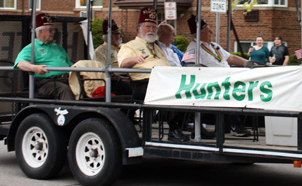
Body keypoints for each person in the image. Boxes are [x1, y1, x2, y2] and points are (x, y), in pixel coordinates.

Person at [118, 8, 189, 142]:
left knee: (186, 89)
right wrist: (135, 59)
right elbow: (123, 63)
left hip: (164, 80)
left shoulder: (156, 47)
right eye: (147, 27)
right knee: (169, 91)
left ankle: (180, 127)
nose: (151, 30)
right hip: (143, 83)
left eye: (153, 27)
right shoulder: (130, 46)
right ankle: (174, 130)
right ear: (139, 29)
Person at [183, 15, 250, 137]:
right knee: (228, 93)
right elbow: (189, 67)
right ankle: (236, 126)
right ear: (198, 33)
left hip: (226, 79)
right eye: (208, 31)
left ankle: (230, 126)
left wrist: (247, 63)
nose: (211, 33)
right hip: (210, 83)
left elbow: (231, 58)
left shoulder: (214, 46)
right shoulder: (193, 49)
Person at [14, 13, 75, 100]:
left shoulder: (58, 47)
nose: (53, 32)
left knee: (86, 87)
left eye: (53, 29)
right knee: (64, 89)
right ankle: (70, 113)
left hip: (66, 79)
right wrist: (34, 67)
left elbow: (70, 66)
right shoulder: (31, 47)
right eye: (50, 30)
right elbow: (20, 63)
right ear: (40, 31)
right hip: (45, 83)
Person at [94, 19, 132, 96]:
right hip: (114, 80)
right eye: (118, 33)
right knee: (131, 87)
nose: (121, 36)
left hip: (131, 76)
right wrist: (120, 78)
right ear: (109, 36)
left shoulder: (125, 47)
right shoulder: (100, 51)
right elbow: (102, 72)